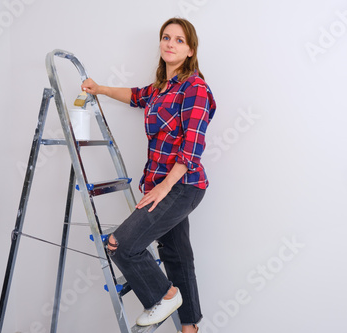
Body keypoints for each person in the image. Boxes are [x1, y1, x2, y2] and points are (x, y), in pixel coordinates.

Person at [81, 18, 215, 333]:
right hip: (161, 184)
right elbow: (135, 95)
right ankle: (190, 328)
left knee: (120, 245)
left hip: (182, 185)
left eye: (179, 40)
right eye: (166, 37)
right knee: (177, 256)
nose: (170, 43)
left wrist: (163, 189)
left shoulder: (195, 88)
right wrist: (99, 88)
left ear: (191, 49)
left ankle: (165, 295)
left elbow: (191, 148)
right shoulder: (160, 89)